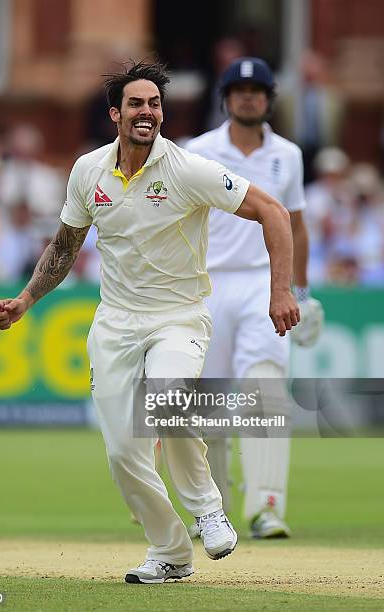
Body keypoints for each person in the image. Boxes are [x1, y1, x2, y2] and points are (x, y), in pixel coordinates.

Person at [0, 60, 300, 584]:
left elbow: (274, 211)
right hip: (115, 320)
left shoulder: (188, 168)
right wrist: (25, 300)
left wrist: (280, 290)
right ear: (115, 113)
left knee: (167, 396)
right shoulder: (89, 170)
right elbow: (65, 246)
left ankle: (208, 507)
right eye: (136, 103)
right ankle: (171, 552)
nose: (147, 112)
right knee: (122, 454)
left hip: (179, 315)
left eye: (155, 104)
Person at [185, 57, 323, 539]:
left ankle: (267, 507)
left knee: (264, 388)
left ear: (269, 99)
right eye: (240, 90)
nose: (248, 97)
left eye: (257, 90)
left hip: (266, 283)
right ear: (225, 98)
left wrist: (299, 291)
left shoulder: (288, 154)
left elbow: (297, 225)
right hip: (209, 285)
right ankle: (212, 512)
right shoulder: (197, 150)